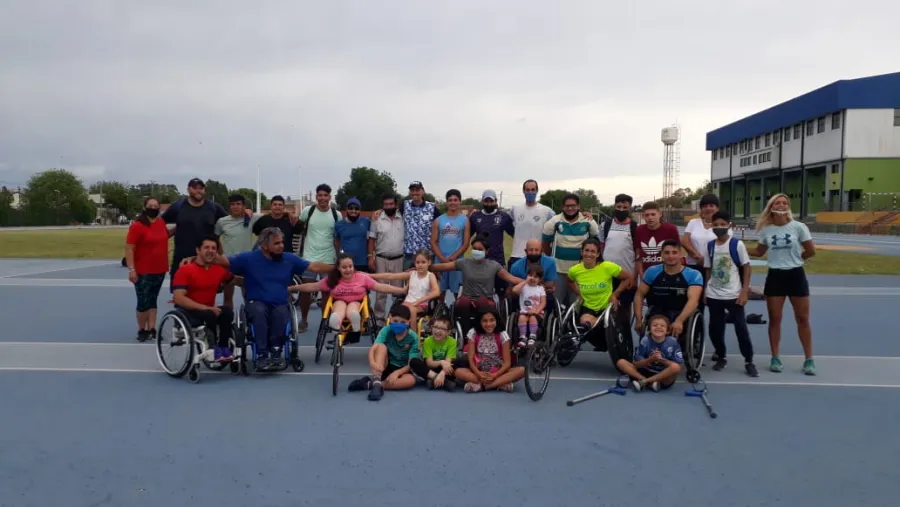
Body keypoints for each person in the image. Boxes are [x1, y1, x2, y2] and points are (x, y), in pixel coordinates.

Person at [186, 227, 333, 370]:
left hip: (280, 303)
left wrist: (336, 268)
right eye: (276, 243)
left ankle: (276, 351)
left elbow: (314, 267)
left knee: (280, 312)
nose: (281, 246)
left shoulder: (289, 259)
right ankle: (262, 354)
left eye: (281, 242)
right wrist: (194, 258)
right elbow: (222, 261)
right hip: (256, 302)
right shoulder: (248, 258)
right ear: (264, 245)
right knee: (259, 311)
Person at [748, 193, 816, 375]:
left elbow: (811, 251)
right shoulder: (767, 230)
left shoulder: (799, 227)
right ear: (771, 207)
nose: (781, 205)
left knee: (802, 319)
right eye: (777, 203)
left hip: (796, 275)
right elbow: (759, 252)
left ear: (788, 206)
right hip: (775, 277)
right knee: (775, 319)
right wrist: (734, 246)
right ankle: (775, 357)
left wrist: (796, 260)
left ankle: (809, 359)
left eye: (785, 202)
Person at [291, 253, 407, 342]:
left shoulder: (362, 277)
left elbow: (381, 287)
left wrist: (401, 290)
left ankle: (354, 320)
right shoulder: (332, 279)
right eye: (344, 267)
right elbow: (313, 286)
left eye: (350, 266)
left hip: (356, 302)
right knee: (339, 306)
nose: (348, 270)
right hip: (338, 301)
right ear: (338, 268)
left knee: (353, 308)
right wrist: (293, 288)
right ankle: (336, 320)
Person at [430, 234, 524, 338]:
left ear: (486, 251)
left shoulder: (493, 266)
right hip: (467, 298)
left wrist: (529, 282)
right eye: (474, 248)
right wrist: (425, 266)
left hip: (485, 299)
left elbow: (511, 278)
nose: (476, 251)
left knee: (482, 301)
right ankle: (465, 334)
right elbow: (443, 266)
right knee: (464, 302)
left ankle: (482, 333)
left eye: (480, 249)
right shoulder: (464, 263)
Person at [703, 211, 758, 377]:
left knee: (741, 328)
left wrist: (744, 291)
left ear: (729, 225)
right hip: (714, 295)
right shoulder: (710, 246)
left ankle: (749, 360)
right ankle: (721, 356)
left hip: (733, 295)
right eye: (715, 224)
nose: (719, 227)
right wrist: (706, 290)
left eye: (722, 224)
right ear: (711, 226)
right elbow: (708, 269)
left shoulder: (737, 245)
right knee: (715, 329)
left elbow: (746, 267)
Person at [633, 240, 703, 362]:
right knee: (658, 325)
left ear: (681, 254)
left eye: (674, 252)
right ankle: (652, 356)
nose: (670, 256)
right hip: (657, 313)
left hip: (680, 313)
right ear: (661, 254)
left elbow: (693, 301)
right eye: (667, 253)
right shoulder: (652, 271)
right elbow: (639, 295)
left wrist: (679, 321)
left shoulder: (693, 274)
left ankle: (671, 355)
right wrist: (639, 319)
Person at [171, 236, 236, 362]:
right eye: (206, 247)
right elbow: (178, 298)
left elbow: (233, 280)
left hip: (208, 310)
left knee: (227, 312)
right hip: (188, 313)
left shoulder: (218, 270)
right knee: (209, 313)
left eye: (213, 248)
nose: (210, 251)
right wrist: (206, 308)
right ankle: (212, 348)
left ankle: (223, 347)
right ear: (198, 250)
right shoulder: (185, 270)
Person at [161, 178, 228, 293]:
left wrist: (246, 212)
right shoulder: (178, 206)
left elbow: (231, 220)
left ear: (204, 190)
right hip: (181, 258)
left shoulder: (213, 207)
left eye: (201, 188)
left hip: (207, 258)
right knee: (180, 294)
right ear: (188, 190)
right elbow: (159, 223)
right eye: (195, 188)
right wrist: (173, 230)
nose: (198, 190)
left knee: (206, 294)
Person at [566, 238, 633, 350]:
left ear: (598, 254)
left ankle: (600, 333)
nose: (589, 254)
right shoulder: (575, 270)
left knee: (595, 326)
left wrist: (615, 294)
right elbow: (569, 281)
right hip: (588, 307)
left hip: (607, 308)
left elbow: (628, 278)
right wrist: (579, 293)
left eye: (593, 251)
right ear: (581, 252)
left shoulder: (607, 267)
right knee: (585, 324)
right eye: (586, 250)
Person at [348, 305, 421, 401]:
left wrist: (397, 373)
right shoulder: (386, 330)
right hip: (385, 365)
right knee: (381, 347)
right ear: (390, 318)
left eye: (403, 322)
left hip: (403, 369)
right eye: (395, 321)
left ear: (409, 322)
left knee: (411, 381)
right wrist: (372, 363)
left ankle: (371, 384)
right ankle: (377, 379)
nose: (398, 324)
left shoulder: (413, 337)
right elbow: (373, 348)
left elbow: (411, 363)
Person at [125, 197, 173, 341]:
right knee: (143, 301)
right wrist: (131, 269)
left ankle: (152, 327)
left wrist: (179, 228)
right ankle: (142, 329)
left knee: (153, 299)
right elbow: (129, 248)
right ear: (144, 207)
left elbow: (165, 235)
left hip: (159, 268)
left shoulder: (160, 222)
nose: (153, 208)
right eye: (150, 205)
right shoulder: (137, 226)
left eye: (156, 205)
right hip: (143, 270)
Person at [296, 184, 343, 332]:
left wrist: (339, 258)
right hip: (309, 258)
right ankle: (304, 320)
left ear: (330, 197)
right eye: (320, 195)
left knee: (327, 292)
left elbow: (339, 237)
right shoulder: (307, 211)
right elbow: (297, 227)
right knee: (305, 290)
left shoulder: (336, 215)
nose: (322, 198)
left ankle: (325, 321)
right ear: (316, 196)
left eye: (325, 195)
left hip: (329, 259)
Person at [542, 193, 600, 308]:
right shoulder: (554, 221)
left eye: (573, 205)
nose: (570, 208)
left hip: (580, 271)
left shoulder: (588, 221)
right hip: (559, 270)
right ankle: (557, 320)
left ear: (578, 206)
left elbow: (596, 243)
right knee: (557, 302)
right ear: (563, 207)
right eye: (567, 206)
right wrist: (551, 258)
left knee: (576, 303)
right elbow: (545, 243)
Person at [453, 307, 525, 393]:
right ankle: (500, 384)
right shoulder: (473, 333)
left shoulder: (502, 335)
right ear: (479, 322)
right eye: (485, 321)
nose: (488, 324)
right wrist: (478, 373)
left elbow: (507, 363)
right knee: (458, 372)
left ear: (496, 320)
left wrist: (495, 375)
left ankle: (485, 386)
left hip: (498, 371)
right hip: (479, 371)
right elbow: (471, 359)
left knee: (522, 370)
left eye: (492, 320)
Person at [370, 249, 441, 332]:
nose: (420, 265)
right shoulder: (411, 274)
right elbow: (391, 276)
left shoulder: (430, 276)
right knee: (395, 312)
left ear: (429, 262)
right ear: (414, 263)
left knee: (411, 310)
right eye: (418, 262)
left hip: (421, 305)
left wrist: (418, 301)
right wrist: (370, 275)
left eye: (423, 262)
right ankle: (393, 333)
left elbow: (436, 292)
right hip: (407, 303)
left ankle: (413, 335)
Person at [599, 193, 640, 335]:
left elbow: (638, 255)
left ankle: (625, 335)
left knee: (625, 308)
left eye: (625, 207)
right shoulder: (605, 225)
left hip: (627, 275)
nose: (621, 209)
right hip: (607, 275)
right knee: (606, 305)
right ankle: (607, 336)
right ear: (614, 206)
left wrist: (634, 277)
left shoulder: (635, 227)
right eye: (619, 206)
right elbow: (601, 248)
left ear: (630, 208)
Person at [215, 193, 261, 307]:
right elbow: (215, 238)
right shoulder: (222, 221)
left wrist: (287, 213)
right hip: (229, 263)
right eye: (232, 204)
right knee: (227, 297)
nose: (235, 207)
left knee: (248, 296)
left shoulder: (251, 218)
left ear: (244, 206)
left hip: (246, 263)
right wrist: (221, 254)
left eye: (238, 204)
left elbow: (271, 216)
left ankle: (249, 316)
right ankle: (228, 317)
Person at [615, 314, 683, 392]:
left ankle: (645, 382)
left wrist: (661, 360)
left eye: (662, 326)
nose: (658, 327)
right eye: (655, 325)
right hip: (646, 371)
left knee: (675, 367)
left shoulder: (673, 342)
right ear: (649, 329)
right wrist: (651, 359)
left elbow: (678, 365)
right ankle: (647, 381)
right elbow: (637, 364)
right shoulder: (645, 341)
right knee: (621, 362)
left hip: (663, 374)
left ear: (667, 331)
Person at [368, 193, 405, 326]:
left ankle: (396, 317)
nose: (388, 206)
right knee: (380, 292)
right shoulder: (377, 219)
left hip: (398, 259)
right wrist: (370, 257)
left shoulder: (403, 217)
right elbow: (372, 239)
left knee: (398, 291)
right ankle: (379, 319)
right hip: (381, 259)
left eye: (391, 204)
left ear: (396, 204)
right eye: (386, 204)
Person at [468, 189, 515, 295]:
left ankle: (501, 305)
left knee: (501, 290)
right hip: (480, 259)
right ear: (482, 201)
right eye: (486, 201)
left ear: (496, 201)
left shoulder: (503, 216)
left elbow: (514, 234)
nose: (489, 204)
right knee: (480, 289)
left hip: (498, 259)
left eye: (491, 201)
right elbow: (467, 236)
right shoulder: (475, 217)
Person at [508, 179, 556, 268]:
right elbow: (506, 222)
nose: (530, 192)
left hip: (536, 256)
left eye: (533, 190)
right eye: (527, 190)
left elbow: (559, 222)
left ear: (537, 191)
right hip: (517, 255)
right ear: (523, 191)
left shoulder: (547, 211)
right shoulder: (515, 210)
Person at [431, 189, 469, 296]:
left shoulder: (465, 220)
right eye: (450, 200)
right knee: (439, 291)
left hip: (457, 261)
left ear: (460, 202)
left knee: (457, 292)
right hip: (440, 260)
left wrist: (453, 257)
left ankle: (456, 307)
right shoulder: (438, 220)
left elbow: (466, 243)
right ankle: (439, 306)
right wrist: (442, 258)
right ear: (446, 202)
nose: (453, 202)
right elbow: (433, 242)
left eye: (455, 200)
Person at [408, 315, 459, 391]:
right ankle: (442, 381)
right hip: (431, 369)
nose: (437, 331)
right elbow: (429, 363)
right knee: (414, 362)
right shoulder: (427, 341)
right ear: (431, 328)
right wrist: (441, 362)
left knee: (457, 363)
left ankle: (433, 381)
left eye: (442, 329)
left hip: (445, 370)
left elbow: (448, 364)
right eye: (435, 327)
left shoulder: (452, 342)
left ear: (448, 332)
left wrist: (442, 374)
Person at [400, 181, 441, 269]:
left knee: (428, 277)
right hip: (409, 254)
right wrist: (380, 211)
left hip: (427, 254)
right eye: (412, 190)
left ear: (423, 191)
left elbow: (441, 225)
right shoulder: (404, 205)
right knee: (407, 277)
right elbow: (392, 214)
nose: (415, 192)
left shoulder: (432, 207)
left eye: (417, 190)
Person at [510, 266, 547, 349]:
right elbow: (514, 290)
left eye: (535, 277)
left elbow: (543, 302)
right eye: (530, 275)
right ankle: (523, 337)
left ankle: (532, 336)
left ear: (540, 279)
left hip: (537, 313)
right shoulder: (524, 287)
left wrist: (537, 311)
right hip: (525, 312)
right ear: (527, 276)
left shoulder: (540, 289)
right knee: (522, 318)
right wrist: (525, 281)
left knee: (533, 318)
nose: (532, 278)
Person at [334, 197, 371, 272]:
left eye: (356, 208)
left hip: (363, 262)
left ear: (360, 210)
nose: (353, 211)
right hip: (346, 263)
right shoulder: (338, 224)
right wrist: (339, 256)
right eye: (350, 208)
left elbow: (371, 239)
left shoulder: (366, 221)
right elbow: (337, 242)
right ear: (346, 209)